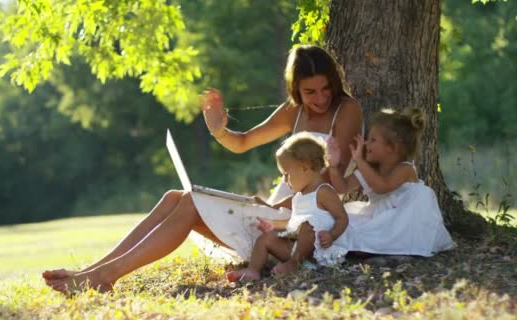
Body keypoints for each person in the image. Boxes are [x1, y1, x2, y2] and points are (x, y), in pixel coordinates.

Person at [42, 45, 363, 294]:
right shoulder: (293, 111)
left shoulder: (345, 110)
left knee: (192, 203)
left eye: (325, 89)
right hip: (275, 211)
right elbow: (242, 142)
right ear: (296, 90)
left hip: (296, 223)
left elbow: (329, 183)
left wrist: (274, 207)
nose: (320, 98)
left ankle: (104, 277)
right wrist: (218, 129)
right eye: (310, 92)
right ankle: (90, 271)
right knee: (173, 196)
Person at [327, 108, 455, 256]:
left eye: (373, 140)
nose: (366, 144)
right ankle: (369, 247)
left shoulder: (405, 169)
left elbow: (383, 187)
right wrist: (334, 166)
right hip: (378, 216)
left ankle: (376, 248)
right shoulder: (368, 169)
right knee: (341, 225)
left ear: (393, 147)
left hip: (405, 221)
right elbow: (342, 187)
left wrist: (360, 161)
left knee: (371, 235)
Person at [225, 133, 349, 283]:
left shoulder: (323, 191)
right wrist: (271, 222)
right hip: (297, 250)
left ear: (305, 168)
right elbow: (292, 222)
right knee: (266, 238)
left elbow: (343, 217)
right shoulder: (298, 197)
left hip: (319, 252)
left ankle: (294, 264)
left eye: (286, 174)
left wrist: (332, 235)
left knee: (307, 225)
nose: (284, 180)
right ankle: (253, 270)